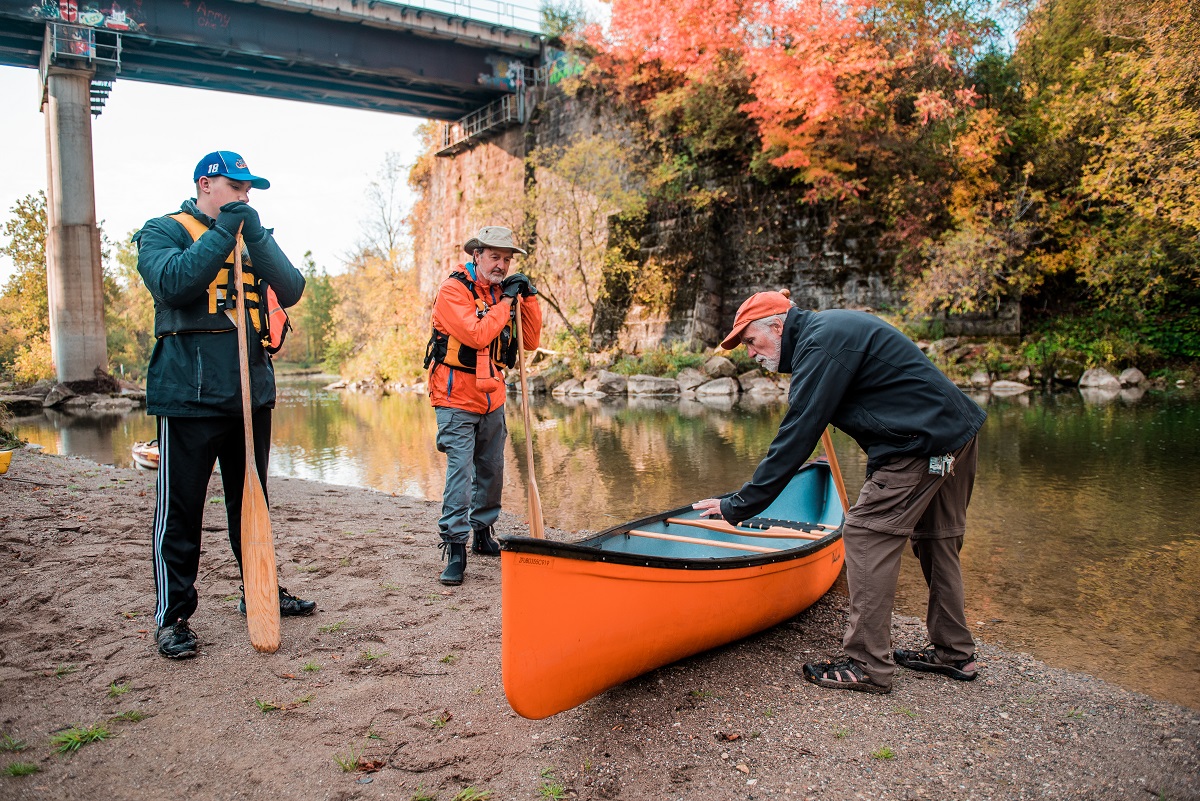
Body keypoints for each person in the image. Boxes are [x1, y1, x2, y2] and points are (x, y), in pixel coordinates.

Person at [693, 290, 987, 694]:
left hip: (920, 444)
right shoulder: (827, 332)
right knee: (937, 541)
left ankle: (867, 664)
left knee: (865, 534)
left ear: (777, 326)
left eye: (750, 341)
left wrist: (739, 505)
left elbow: (797, 434)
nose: (750, 353)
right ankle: (955, 653)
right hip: (955, 433)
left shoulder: (820, 344)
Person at [134, 151, 315, 660]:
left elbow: (293, 288)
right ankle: (172, 618)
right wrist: (223, 234)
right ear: (205, 184)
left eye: (249, 188)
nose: (244, 195)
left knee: (249, 503)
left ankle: (258, 590)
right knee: (181, 512)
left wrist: (253, 234)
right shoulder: (161, 230)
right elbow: (174, 283)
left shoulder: (250, 233)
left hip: (249, 398)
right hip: (188, 398)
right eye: (235, 186)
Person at [424, 226, 542, 585]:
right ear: (477, 255)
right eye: (495, 257)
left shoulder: (503, 293)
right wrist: (507, 301)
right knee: (460, 475)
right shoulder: (452, 290)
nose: (501, 265)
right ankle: (455, 547)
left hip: (493, 397)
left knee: (491, 472)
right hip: (454, 397)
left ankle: (482, 534)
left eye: (507, 259)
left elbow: (531, 341)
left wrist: (529, 297)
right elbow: (476, 335)